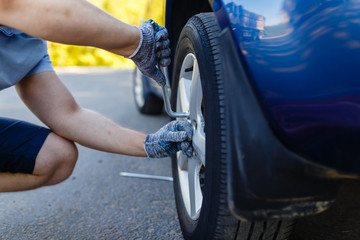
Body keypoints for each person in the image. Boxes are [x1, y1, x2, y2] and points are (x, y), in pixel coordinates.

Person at [0, 0, 193, 192]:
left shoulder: (30, 47)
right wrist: (137, 42)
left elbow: (69, 116)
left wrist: (149, 144)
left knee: (57, 156)